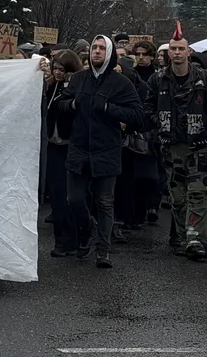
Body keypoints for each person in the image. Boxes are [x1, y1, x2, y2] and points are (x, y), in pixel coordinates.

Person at [55, 35, 147, 269]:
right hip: (78, 149)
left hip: (106, 150)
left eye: (101, 48)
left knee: (105, 202)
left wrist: (109, 108)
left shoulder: (120, 83)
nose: (96, 52)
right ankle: (86, 232)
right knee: (74, 199)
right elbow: (60, 105)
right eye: (94, 48)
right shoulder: (78, 79)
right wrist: (73, 105)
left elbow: (137, 115)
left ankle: (102, 250)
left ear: (110, 53)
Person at [147, 27, 207, 261]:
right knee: (178, 197)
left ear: (189, 51)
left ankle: (195, 240)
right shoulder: (158, 79)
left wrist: (205, 127)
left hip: (199, 147)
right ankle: (184, 238)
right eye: (173, 49)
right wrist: (160, 125)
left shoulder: (204, 78)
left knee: (198, 194)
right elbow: (148, 107)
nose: (176, 53)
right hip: (171, 147)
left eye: (180, 49)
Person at [46, 50, 83, 257]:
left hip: (72, 145)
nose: (58, 73)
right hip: (54, 145)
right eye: (55, 69)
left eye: (62, 69)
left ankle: (75, 238)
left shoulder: (76, 88)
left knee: (72, 197)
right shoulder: (50, 87)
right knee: (58, 196)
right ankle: (61, 240)